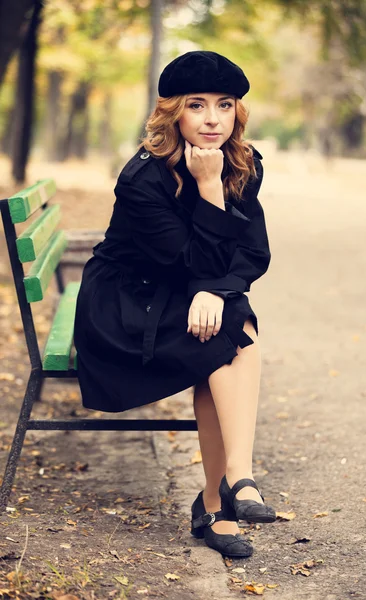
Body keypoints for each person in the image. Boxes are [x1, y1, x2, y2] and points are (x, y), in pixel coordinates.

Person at [73, 50, 276, 559]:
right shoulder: (143, 178)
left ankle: (227, 491)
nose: (212, 119)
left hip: (185, 294)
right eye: (197, 105)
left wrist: (215, 288)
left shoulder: (244, 163)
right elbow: (189, 263)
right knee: (230, 337)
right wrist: (207, 188)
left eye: (224, 105)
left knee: (231, 332)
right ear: (173, 113)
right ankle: (228, 493)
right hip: (125, 303)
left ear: (238, 112)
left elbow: (253, 252)